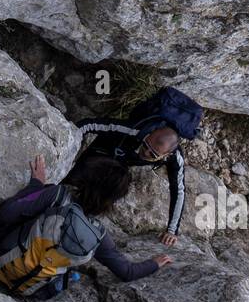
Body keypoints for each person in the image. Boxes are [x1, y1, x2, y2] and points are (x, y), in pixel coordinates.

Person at [0, 154, 171, 300]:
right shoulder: (99, 235)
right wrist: (154, 263)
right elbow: (127, 272)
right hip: (27, 289)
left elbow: (6, 213)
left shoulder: (57, 195)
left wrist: (36, 186)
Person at [73, 86, 203, 246]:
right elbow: (89, 124)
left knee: (114, 189)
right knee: (75, 179)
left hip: (121, 163)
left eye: (152, 155)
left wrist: (172, 230)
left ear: (165, 156)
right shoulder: (134, 130)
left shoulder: (175, 157)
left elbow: (179, 190)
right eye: (145, 145)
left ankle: (83, 215)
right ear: (149, 134)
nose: (145, 153)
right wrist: (66, 142)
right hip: (104, 150)